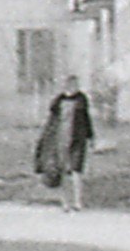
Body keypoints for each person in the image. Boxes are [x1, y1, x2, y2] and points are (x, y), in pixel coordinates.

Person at [33, 81, 93, 209]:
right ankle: (65, 202)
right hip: (61, 140)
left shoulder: (81, 101)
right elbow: (51, 122)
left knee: (76, 170)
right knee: (63, 171)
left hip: (76, 140)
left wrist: (90, 136)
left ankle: (77, 202)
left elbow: (86, 120)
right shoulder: (59, 102)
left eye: (75, 86)